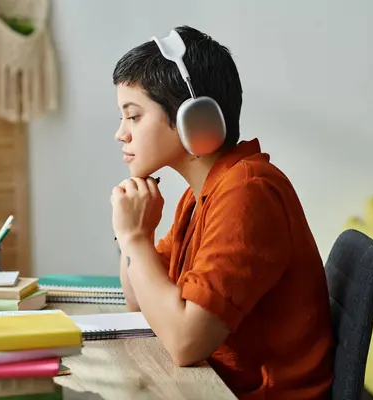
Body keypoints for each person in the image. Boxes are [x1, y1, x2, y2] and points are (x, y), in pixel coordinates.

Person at [110, 25, 334, 399]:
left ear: (194, 118)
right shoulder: (200, 194)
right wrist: (139, 235)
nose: (121, 133)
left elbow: (184, 342)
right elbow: (140, 302)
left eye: (133, 116)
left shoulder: (247, 192)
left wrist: (132, 238)